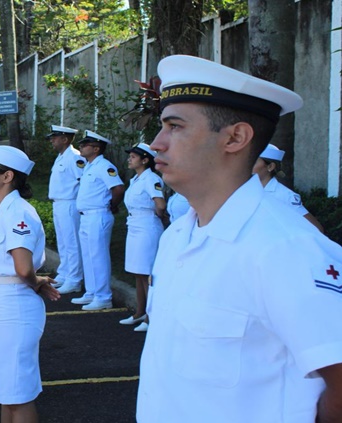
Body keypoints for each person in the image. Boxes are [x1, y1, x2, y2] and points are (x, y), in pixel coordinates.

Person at [137, 55, 342, 422]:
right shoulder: (177, 237)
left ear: (235, 137)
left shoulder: (284, 246)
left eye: (175, 127)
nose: (156, 143)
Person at [0, 145, 60, 423]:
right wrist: (36, 281)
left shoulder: (18, 213)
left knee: (18, 394)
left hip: (15, 307)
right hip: (4, 304)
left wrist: (36, 281)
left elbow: (23, 268)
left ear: (7, 176)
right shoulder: (3, 209)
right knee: (5, 392)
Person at [73, 130, 124, 310]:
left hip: (98, 214)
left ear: (96, 148)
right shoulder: (89, 165)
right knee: (88, 256)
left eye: (85, 144)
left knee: (98, 256)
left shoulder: (104, 166)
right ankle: (92, 292)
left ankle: (103, 297)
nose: (81, 146)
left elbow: (117, 188)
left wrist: (112, 205)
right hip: (87, 216)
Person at [119, 143, 165, 333]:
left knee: (147, 274)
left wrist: (158, 218)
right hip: (135, 225)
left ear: (145, 160)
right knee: (138, 272)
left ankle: (151, 316)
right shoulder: (136, 179)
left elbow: (160, 205)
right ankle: (140, 312)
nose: (130, 159)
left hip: (147, 226)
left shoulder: (151, 179)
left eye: (134, 156)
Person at [46, 125, 85, 294]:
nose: (52, 140)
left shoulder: (75, 157)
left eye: (55, 137)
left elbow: (83, 182)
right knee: (63, 242)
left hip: (70, 203)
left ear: (65, 139)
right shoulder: (61, 157)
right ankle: (64, 273)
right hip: (59, 203)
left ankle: (74, 279)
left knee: (72, 243)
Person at [253, 143, 324, 232]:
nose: (247, 167)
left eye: (253, 162)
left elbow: (316, 229)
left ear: (270, 166)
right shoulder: (246, 191)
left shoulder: (285, 195)